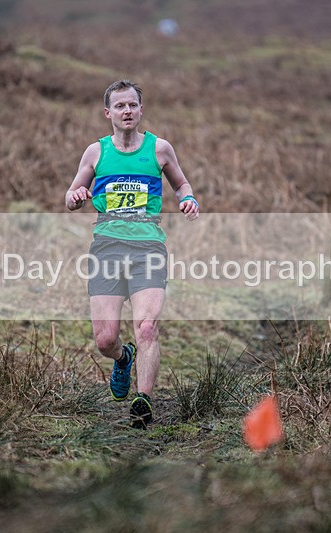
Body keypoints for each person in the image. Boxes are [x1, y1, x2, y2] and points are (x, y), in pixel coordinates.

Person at [65, 79, 200, 429]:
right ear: (108, 112)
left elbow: (181, 184)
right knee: (105, 339)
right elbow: (72, 192)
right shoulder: (96, 152)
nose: (127, 111)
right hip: (107, 249)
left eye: (133, 105)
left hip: (148, 249)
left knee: (147, 328)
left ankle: (144, 401)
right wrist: (76, 197)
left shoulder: (159, 149)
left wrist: (188, 198)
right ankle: (123, 358)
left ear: (141, 110)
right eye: (120, 106)